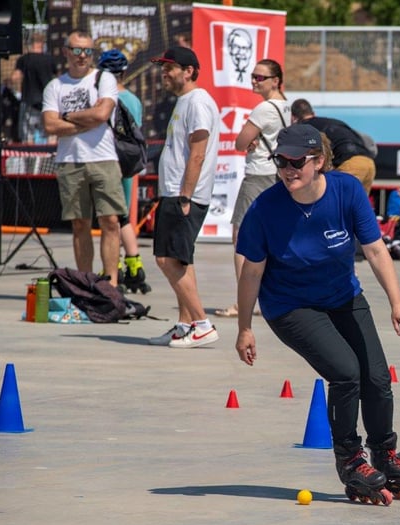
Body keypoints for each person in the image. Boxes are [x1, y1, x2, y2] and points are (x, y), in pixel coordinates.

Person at [234, 124, 400, 505]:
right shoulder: (265, 209)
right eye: (281, 162)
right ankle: (351, 461)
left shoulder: (346, 191)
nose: (288, 170)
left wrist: (398, 303)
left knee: (376, 376)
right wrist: (245, 328)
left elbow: (375, 250)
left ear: (319, 161)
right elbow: (251, 272)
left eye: (297, 162)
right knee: (345, 372)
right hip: (291, 306)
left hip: (342, 296)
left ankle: (386, 455)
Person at [147, 46, 220, 348]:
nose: (164, 72)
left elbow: (198, 154)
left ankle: (202, 324)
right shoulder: (185, 101)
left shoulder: (198, 102)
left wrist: (185, 197)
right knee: (180, 260)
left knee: (166, 259)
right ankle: (184, 324)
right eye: (162, 67)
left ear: (189, 71)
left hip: (183, 195)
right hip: (175, 193)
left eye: (170, 67)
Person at [42, 30, 127, 286]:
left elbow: (102, 114)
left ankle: (111, 285)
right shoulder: (55, 86)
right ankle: (87, 283)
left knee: (111, 221)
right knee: (80, 224)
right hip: (70, 161)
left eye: (88, 51)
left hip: (104, 159)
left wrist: (66, 116)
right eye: (77, 50)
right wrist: (83, 122)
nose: (82, 56)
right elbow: (49, 125)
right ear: (66, 51)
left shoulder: (104, 78)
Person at [216, 59, 289, 318]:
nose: (255, 81)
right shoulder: (287, 107)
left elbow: (239, 142)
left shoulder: (264, 109)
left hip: (258, 175)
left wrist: (250, 140)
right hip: (278, 176)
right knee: (271, 237)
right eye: (253, 76)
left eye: (261, 77)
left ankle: (243, 301)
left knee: (242, 237)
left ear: (276, 80)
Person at [96, 48, 151, 294]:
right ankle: (134, 264)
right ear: (124, 72)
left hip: (108, 161)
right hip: (129, 162)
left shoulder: (102, 98)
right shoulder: (134, 100)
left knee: (110, 218)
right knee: (124, 215)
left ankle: (114, 267)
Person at [290, 98, 376, 194]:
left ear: (293, 118)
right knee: (357, 204)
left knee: (336, 200)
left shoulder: (303, 128)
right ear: (313, 113)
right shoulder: (332, 121)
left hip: (350, 163)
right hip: (369, 162)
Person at [12, 32, 58, 144]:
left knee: (28, 137)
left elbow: (15, 77)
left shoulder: (24, 59)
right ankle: (50, 160)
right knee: (51, 135)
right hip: (47, 103)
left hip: (29, 102)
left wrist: (15, 89)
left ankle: (30, 160)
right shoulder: (50, 60)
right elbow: (58, 78)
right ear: (42, 44)